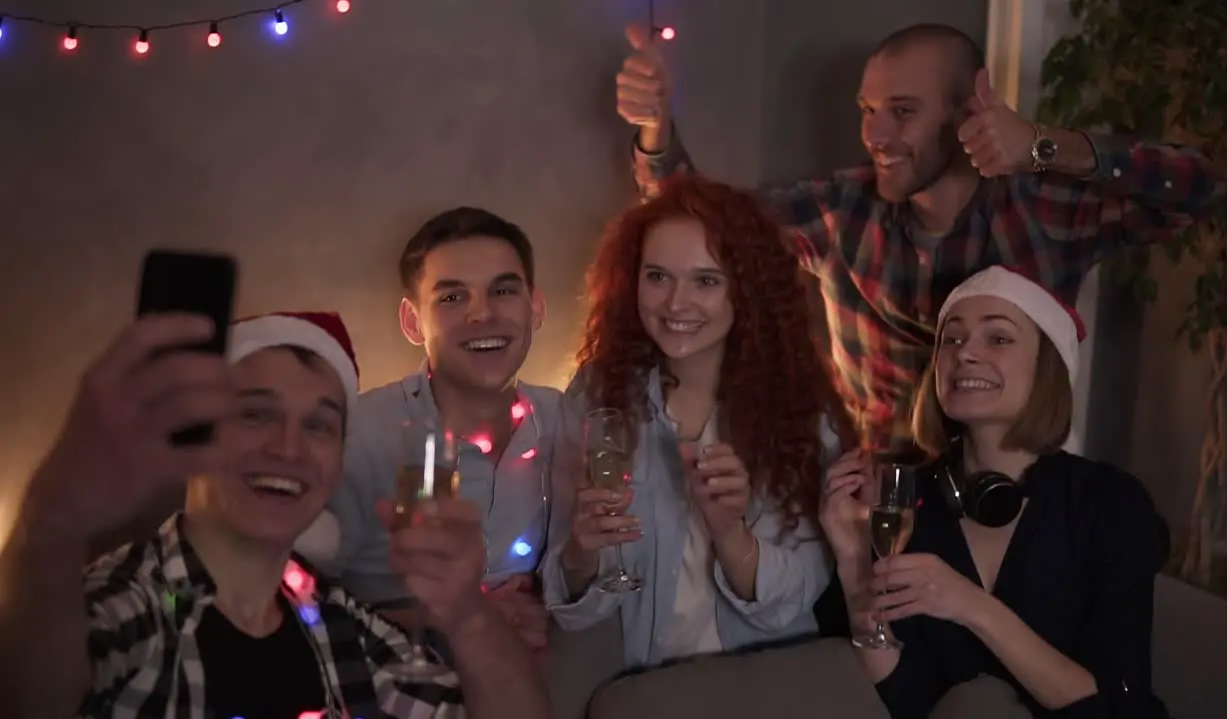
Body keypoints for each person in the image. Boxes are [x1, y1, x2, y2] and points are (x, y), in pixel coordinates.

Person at [614, 21, 1221, 454]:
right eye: (866, 108)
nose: (875, 133)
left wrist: (1045, 145)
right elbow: (701, 221)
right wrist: (656, 129)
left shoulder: (1044, 209)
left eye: (902, 111)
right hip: (875, 497)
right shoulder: (840, 210)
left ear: (968, 111)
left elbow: (1199, 187)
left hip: (1010, 497)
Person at [0, 310, 549, 719]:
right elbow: (29, 695)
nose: (288, 448)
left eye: (318, 426)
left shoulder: (342, 629)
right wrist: (50, 524)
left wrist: (467, 614)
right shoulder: (132, 602)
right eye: (256, 415)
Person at [820, 266, 1171, 718]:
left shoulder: (1109, 503)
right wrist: (853, 563)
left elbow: (1121, 703)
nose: (965, 354)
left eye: (998, 338)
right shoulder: (909, 500)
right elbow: (905, 700)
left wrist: (972, 606)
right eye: (952, 339)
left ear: (1047, 366)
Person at [542, 174, 860, 670]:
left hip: (766, 683)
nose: (675, 303)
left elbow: (794, 602)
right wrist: (582, 551)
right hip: (647, 685)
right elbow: (574, 608)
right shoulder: (597, 395)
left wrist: (730, 534)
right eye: (657, 276)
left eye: (706, 280)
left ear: (746, 290)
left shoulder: (802, 413)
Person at [316, 208, 559, 653]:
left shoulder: (564, 421)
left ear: (535, 307)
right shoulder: (358, 438)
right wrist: (458, 619)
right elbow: (285, 599)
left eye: (502, 290)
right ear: (413, 322)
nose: (482, 314)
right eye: (452, 298)